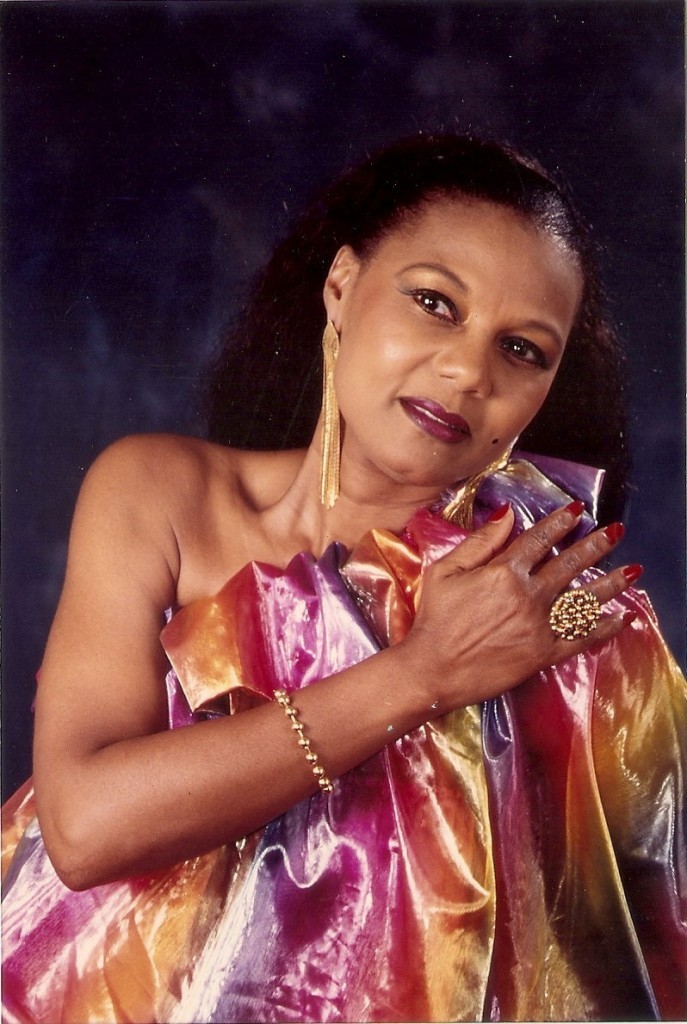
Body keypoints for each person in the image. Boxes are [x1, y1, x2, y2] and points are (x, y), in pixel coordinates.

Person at [2, 134, 685, 1024]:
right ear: (340, 285)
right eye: (434, 303)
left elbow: (618, 952)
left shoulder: (546, 592)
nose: (466, 369)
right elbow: (85, 830)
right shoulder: (159, 494)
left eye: (521, 350)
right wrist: (422, 673)